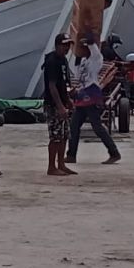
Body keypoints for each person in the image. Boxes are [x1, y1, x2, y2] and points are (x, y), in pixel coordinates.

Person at [65, 32, 120, 165]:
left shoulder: (95, 60)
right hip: (82, 95)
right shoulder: (83, 62)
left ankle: (114, 152)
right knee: (74, 126)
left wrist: (89, 42)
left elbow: (95, 52)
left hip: (91, 94)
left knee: (97, 127)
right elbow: (79, 77)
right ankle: (71, 155)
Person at [42, 33, 76, 176]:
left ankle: (61, 164)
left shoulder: (63, 61)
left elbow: (64, 83)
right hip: (53, 104)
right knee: (55, 136)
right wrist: (60, 106)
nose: (67, 48)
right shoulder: (52, 61)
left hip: (62, 102)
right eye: (64, 45)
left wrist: (67, 100)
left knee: (64, 135)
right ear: (57, 45)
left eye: (68, 45)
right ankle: (51, 166)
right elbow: (52, 86)